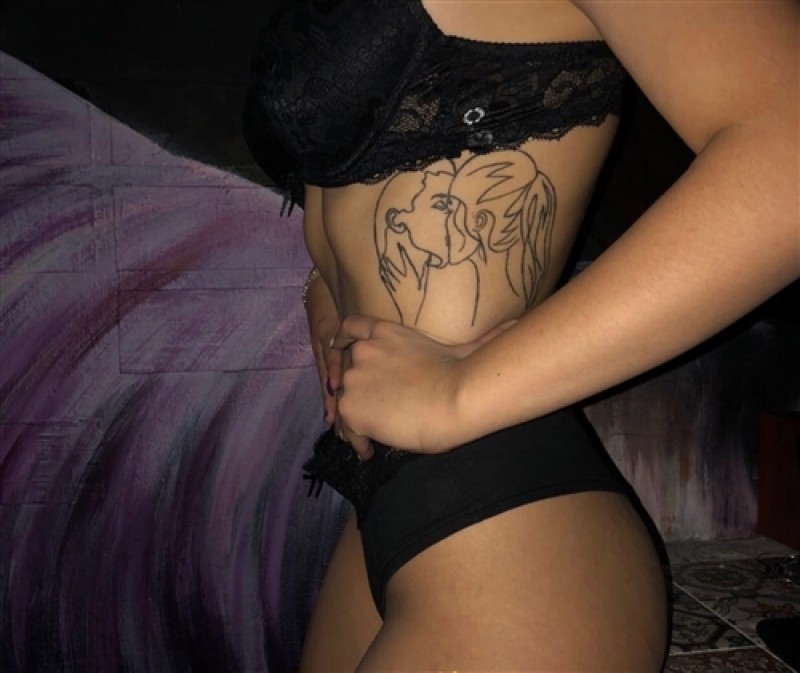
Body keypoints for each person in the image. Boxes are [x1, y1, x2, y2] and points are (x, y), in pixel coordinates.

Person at [244, 1, 799, 670]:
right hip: (389, 502)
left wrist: (460, 391)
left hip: (508, 528)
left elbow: (788, 150)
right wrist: (329, 284)